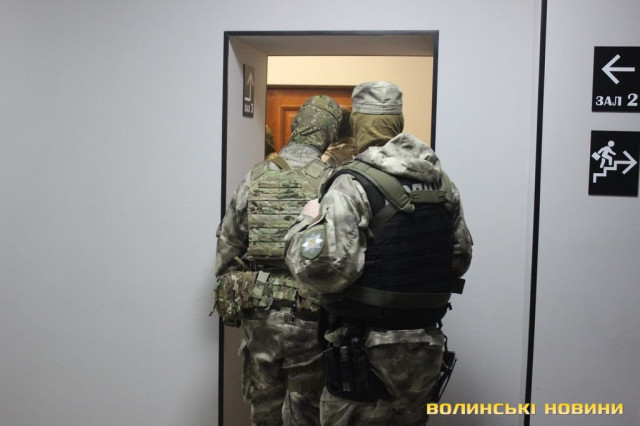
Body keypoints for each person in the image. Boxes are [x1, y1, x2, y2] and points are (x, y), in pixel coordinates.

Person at [285, 81, 473, 425]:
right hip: (424, 352)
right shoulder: (442, 184)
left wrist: (305, 223)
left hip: (363, 356)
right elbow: (459, 259)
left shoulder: (352, 183)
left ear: (358, 123)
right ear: (397, 122)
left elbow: (323, 272)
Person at [213, 95, 342, 426]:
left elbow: (228, 245)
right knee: (307, 408)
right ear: (329, 134)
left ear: (297, 127)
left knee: (264, 407)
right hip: (312, 315)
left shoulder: (254, 177)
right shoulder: (333, 181)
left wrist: (239, 290)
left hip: (261, 313)